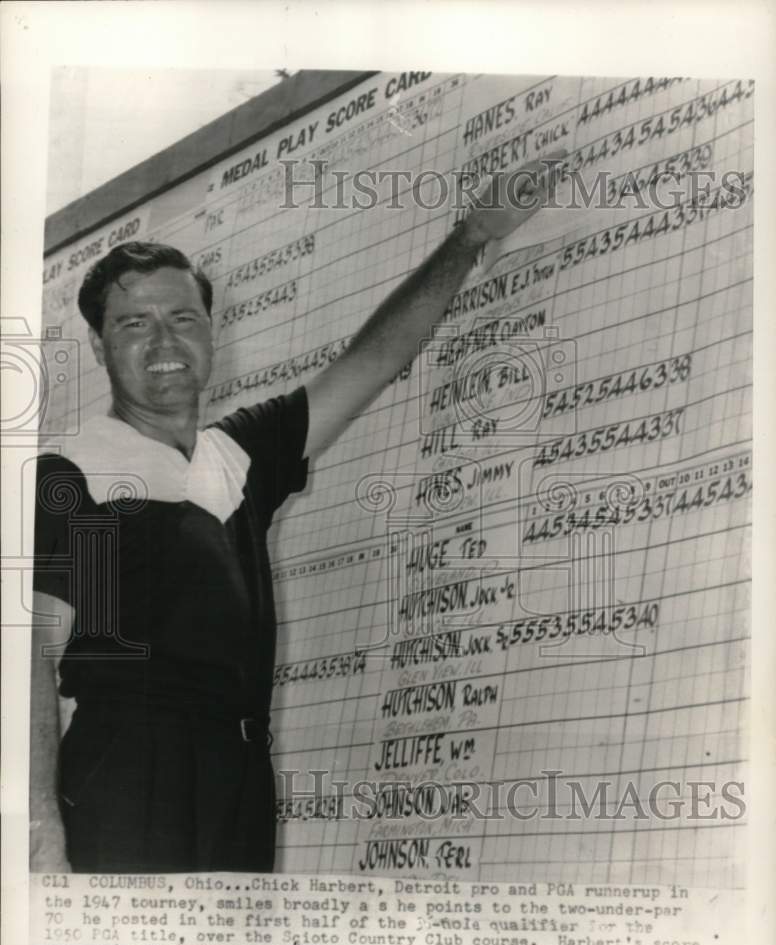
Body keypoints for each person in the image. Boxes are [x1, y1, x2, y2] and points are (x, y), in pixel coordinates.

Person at [30, 156, 563, 873]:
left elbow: (370, 363)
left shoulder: (241, 455)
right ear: (99, 345)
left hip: (240, 771)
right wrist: (40, 835)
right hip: (124, 775)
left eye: (182, 318)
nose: (163, 343)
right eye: (133, 325)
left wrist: (470, 237)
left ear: (210, 331)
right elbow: (29, 660)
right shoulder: (74, 476)